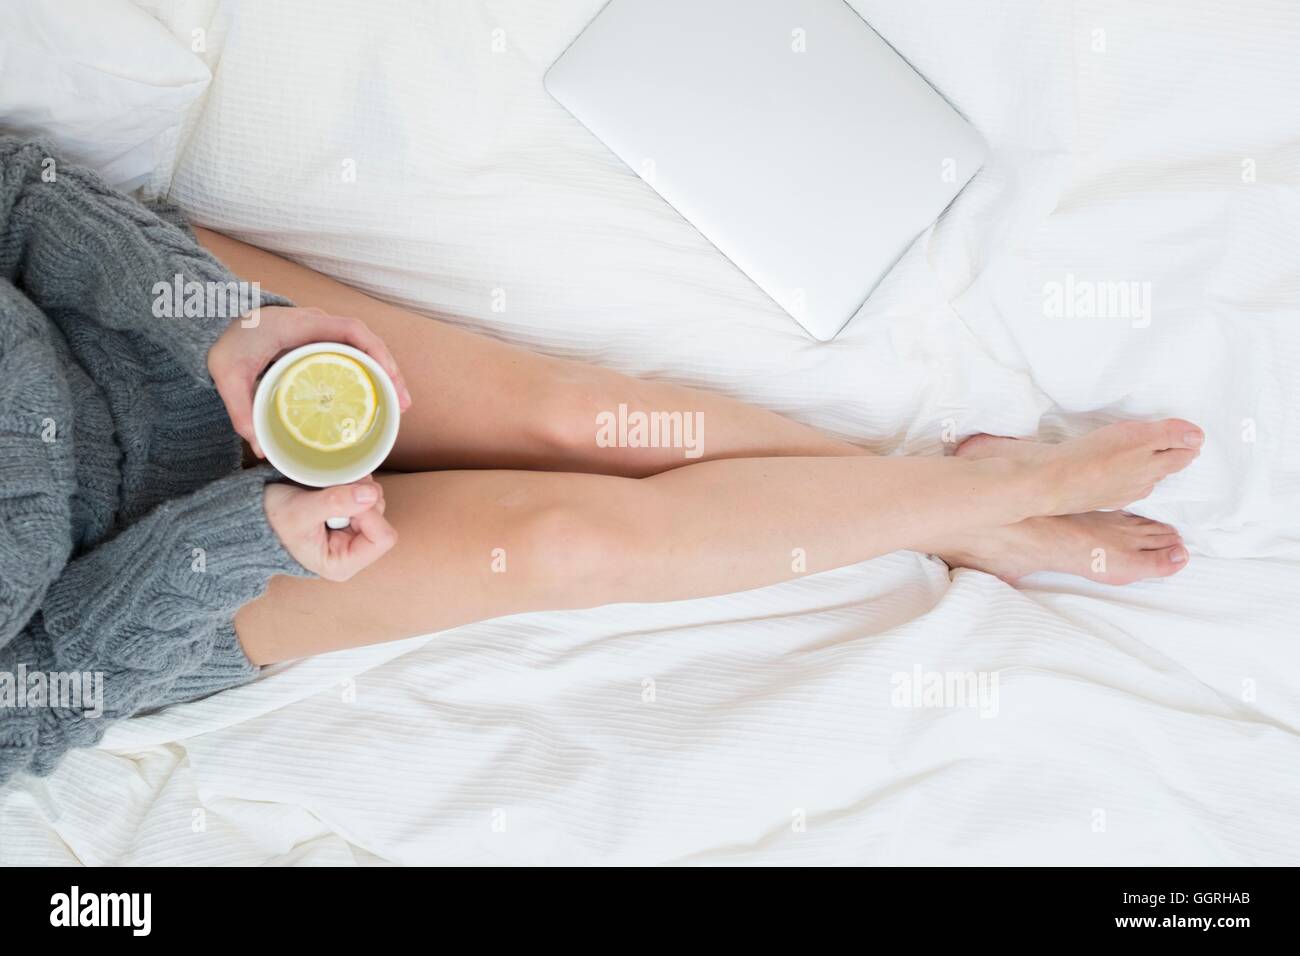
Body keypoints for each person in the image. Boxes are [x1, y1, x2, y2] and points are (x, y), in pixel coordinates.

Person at [0, 139, 1201, 783]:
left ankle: (958, 507)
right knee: (574, 540)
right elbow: (39, 698)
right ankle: (987, 491)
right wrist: (236, 537)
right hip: (163, 590)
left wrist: (218, 320)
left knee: (584, 419)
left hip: (146, 330)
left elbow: (14, 195)